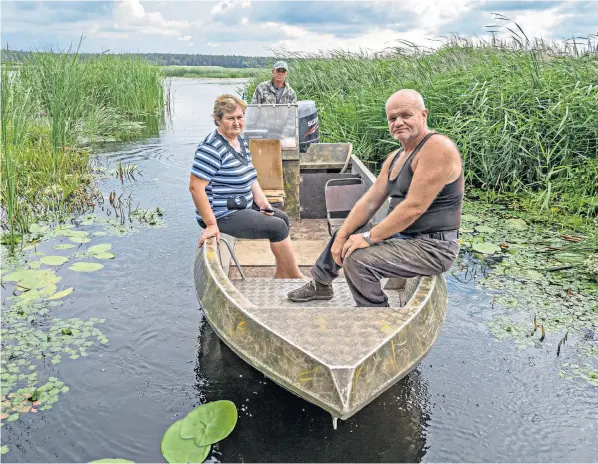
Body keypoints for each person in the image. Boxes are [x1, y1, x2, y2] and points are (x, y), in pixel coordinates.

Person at [288, 89, 463, 306]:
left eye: (406, 115)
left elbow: (413, 208)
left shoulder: (437, 148)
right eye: (392, 118)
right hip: (404, 238)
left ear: (423, 115)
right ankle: (321, 284)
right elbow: (369, 202)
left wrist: (369, 238)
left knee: (358, 261)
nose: (398, 122)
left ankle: (376, 315)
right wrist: (343, 234)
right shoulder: (396, 157)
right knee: (349, 232)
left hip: (432, 247)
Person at [190, 94, 304, 279]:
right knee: (277, 228)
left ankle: (282, 272)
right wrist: (211, 224)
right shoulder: (210, 148)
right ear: (218, 120)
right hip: (222, 213)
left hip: (240, 203)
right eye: (230, 118)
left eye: (240, 117)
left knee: (281, 217)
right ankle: (293, 275)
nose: (236, 123)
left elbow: (251, 177)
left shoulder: (240, 141)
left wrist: (263, 204)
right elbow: (196, 188)